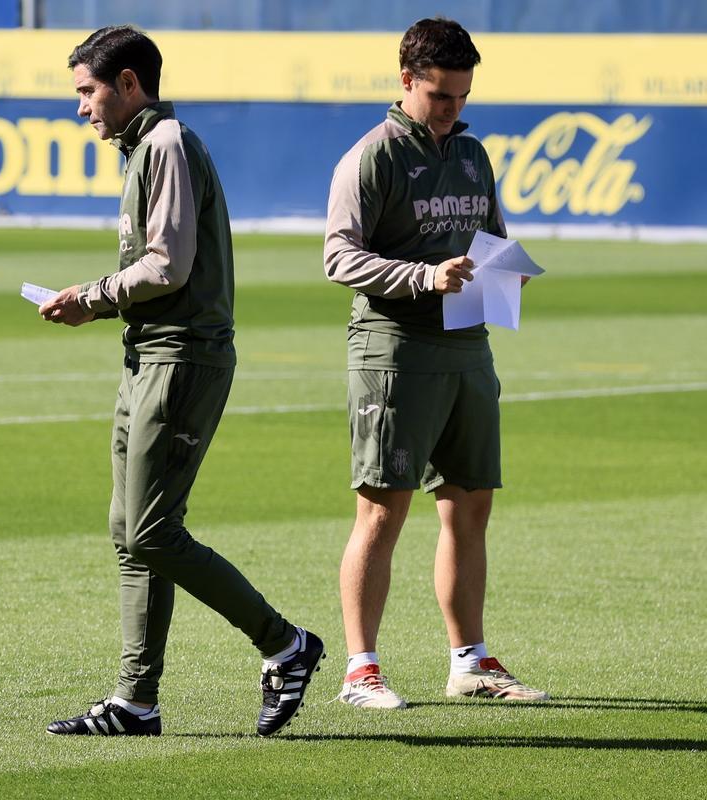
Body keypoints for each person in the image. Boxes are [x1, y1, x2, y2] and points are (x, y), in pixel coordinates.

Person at [40, 25, 324, 737]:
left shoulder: (165, 145)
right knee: (129, 531)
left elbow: (167, 265)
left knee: (150, 529)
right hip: (149, 353)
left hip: (182, 357)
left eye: (88, 90)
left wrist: (91, 295)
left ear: (129, 83)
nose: (82, 107)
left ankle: (286, 645)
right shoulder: (143, 148)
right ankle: (137, 701)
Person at [323, 17, 549, 709]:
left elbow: (490, 239)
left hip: (467, 345)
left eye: (461, 94)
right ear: (407, 80)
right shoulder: (373, 156)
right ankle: (361, 670)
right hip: (395, 348)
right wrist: (423, 276)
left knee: (469, 505)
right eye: (440, 94)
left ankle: (469, 661)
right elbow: (339, 257)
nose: (452, 107)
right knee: (383, 511)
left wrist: (506, 273)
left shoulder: (474, 153)